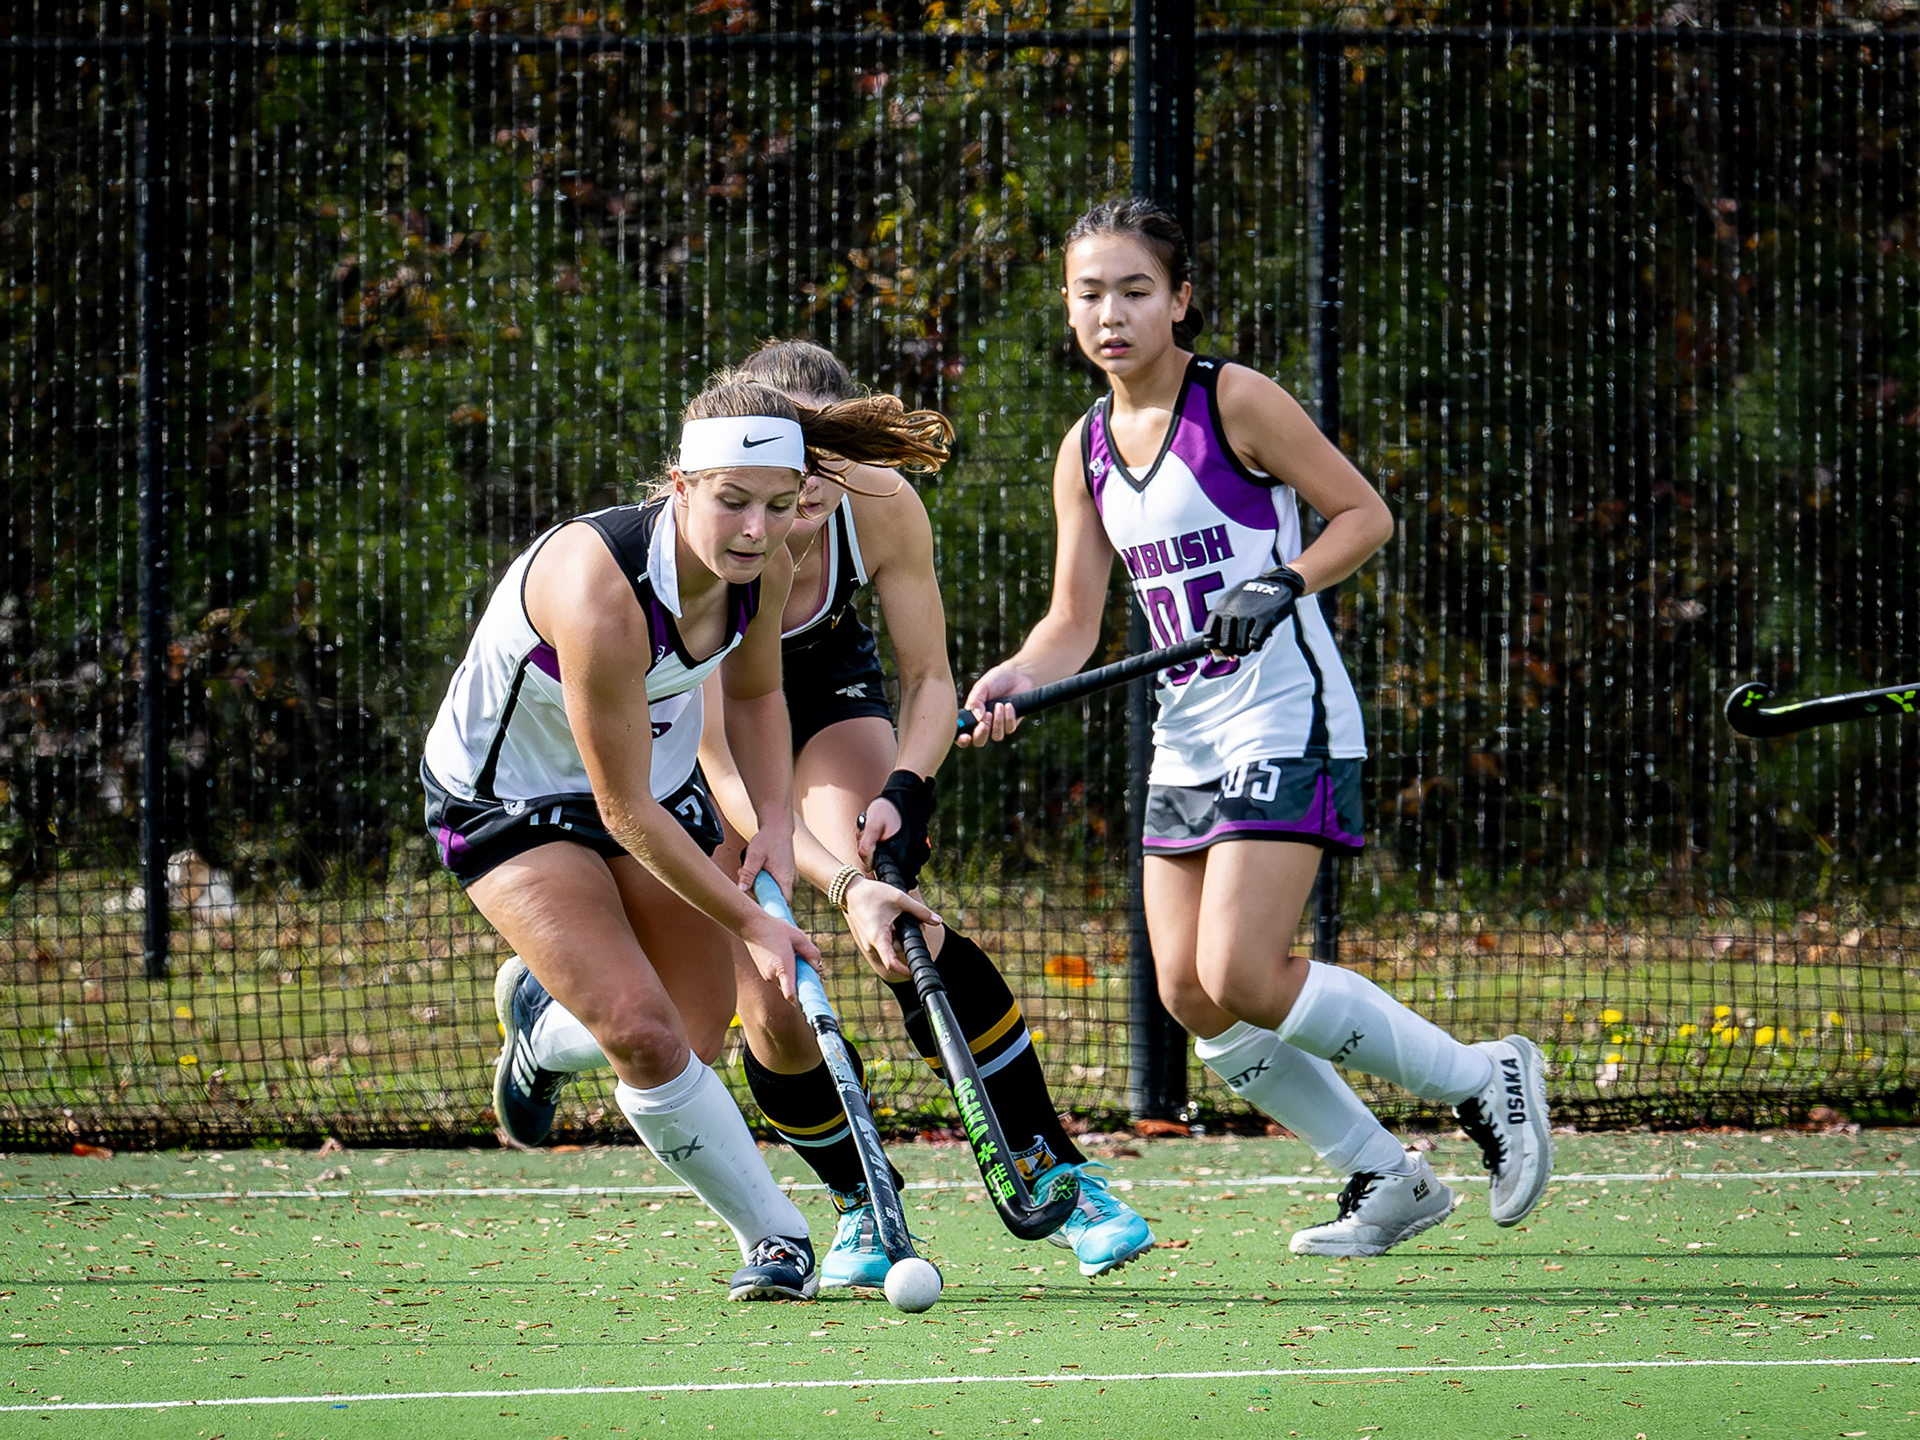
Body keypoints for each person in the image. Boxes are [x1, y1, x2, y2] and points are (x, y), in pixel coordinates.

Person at [492, 341, 1156, 1290]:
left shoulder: (880, 504)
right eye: (780, 472)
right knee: (763, 1004)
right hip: (714, 738)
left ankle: (1055, 1171)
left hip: (829, 700)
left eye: (818, 470)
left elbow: (929, 679)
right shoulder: (703, 549)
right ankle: (859, 1203)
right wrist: (830, 883)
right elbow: (719, 756)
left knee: (899, 930)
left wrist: (906, 789)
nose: (795, 497)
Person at [959, 198, 1553, 1257]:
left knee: (1241, 970)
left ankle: (1483, 1077)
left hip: (1283, 715)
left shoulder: (1233, 399)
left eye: (1136, 290)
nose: (1112, 314)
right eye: (1090, 294)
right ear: (1069, 308)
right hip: (1186, 738)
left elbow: (1364, 515)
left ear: (1180, 300)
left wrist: (1283, 581)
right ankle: (1387, 1174)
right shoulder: (1084, 448)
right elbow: (1073, 622)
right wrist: (1012, 676)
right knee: (1192, 993)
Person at [424, 374, 949, 1301]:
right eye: (732, 502)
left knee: (693, 1038)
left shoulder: (767, 564)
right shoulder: (600, 593)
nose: (755, 530)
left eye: (779, 507)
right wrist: (755, 922)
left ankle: (543, 1031)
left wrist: (775, 824)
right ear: (680, 485)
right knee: (642, 1033)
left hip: (659, 786)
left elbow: (754, 695)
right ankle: (776, 1238)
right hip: (511, 801)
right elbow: (621, 810)